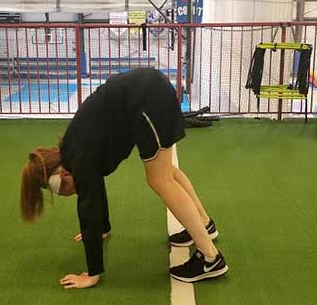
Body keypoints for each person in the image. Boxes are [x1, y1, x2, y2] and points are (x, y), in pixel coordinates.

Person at [20, 67, 228, 289]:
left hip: (147, 100)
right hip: (150, 91)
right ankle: (204, 224)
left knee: (160, 180)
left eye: (64, 190)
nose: (72, 192)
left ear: (62, 175)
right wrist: (102, 228)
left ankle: (210, 259)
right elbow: (94, 187)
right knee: (166, 172)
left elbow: (88, 207)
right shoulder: (74, 151)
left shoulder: (79, 158)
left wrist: (92, 273)